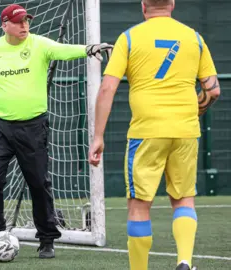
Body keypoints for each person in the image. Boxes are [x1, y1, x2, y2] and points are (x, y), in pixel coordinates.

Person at [0, 4, 113, 259]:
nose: (24, 26)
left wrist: (89, 49)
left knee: (39, 183)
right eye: (18, 22)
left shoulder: (39, 44)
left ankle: (47, 238)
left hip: (33, 127)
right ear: (4, 24)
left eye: (26, 21)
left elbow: (63, 51)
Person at [88, 1, 220, 270]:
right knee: (184, 199)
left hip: (146, 132)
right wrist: (191, 114)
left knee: (139, 206)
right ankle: (184, 261)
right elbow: (213, 90)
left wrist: (98, 137)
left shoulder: (129, 37)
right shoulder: (194, 37)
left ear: (143, 5)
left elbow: (106, 90)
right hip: (185, 130)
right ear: (172, 4)